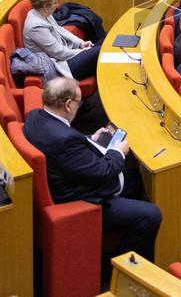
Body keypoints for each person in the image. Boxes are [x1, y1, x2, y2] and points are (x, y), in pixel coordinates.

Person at [22, 78, 162, 261]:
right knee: (150, 214)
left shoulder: (35, 116)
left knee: (133, 171)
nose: (79, 107)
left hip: (68, 174)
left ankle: (124, 220)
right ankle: (124, 268)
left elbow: (66, 145)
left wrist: (90, 139)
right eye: (79, 103)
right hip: (81, 199)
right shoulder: (66, 141)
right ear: (68, 105)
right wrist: (117, 152)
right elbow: (101, 171)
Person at [23, 0, 100, 80]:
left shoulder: (43, 13)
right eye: (54, 3)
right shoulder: (36, 27)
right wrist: (82, 52)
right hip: (59, 67)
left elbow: (60, 30)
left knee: (104, 43)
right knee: (100, 51)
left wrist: (81, 43)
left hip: (64, 56)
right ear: (45, 6)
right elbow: (58, 53)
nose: (58, 5)